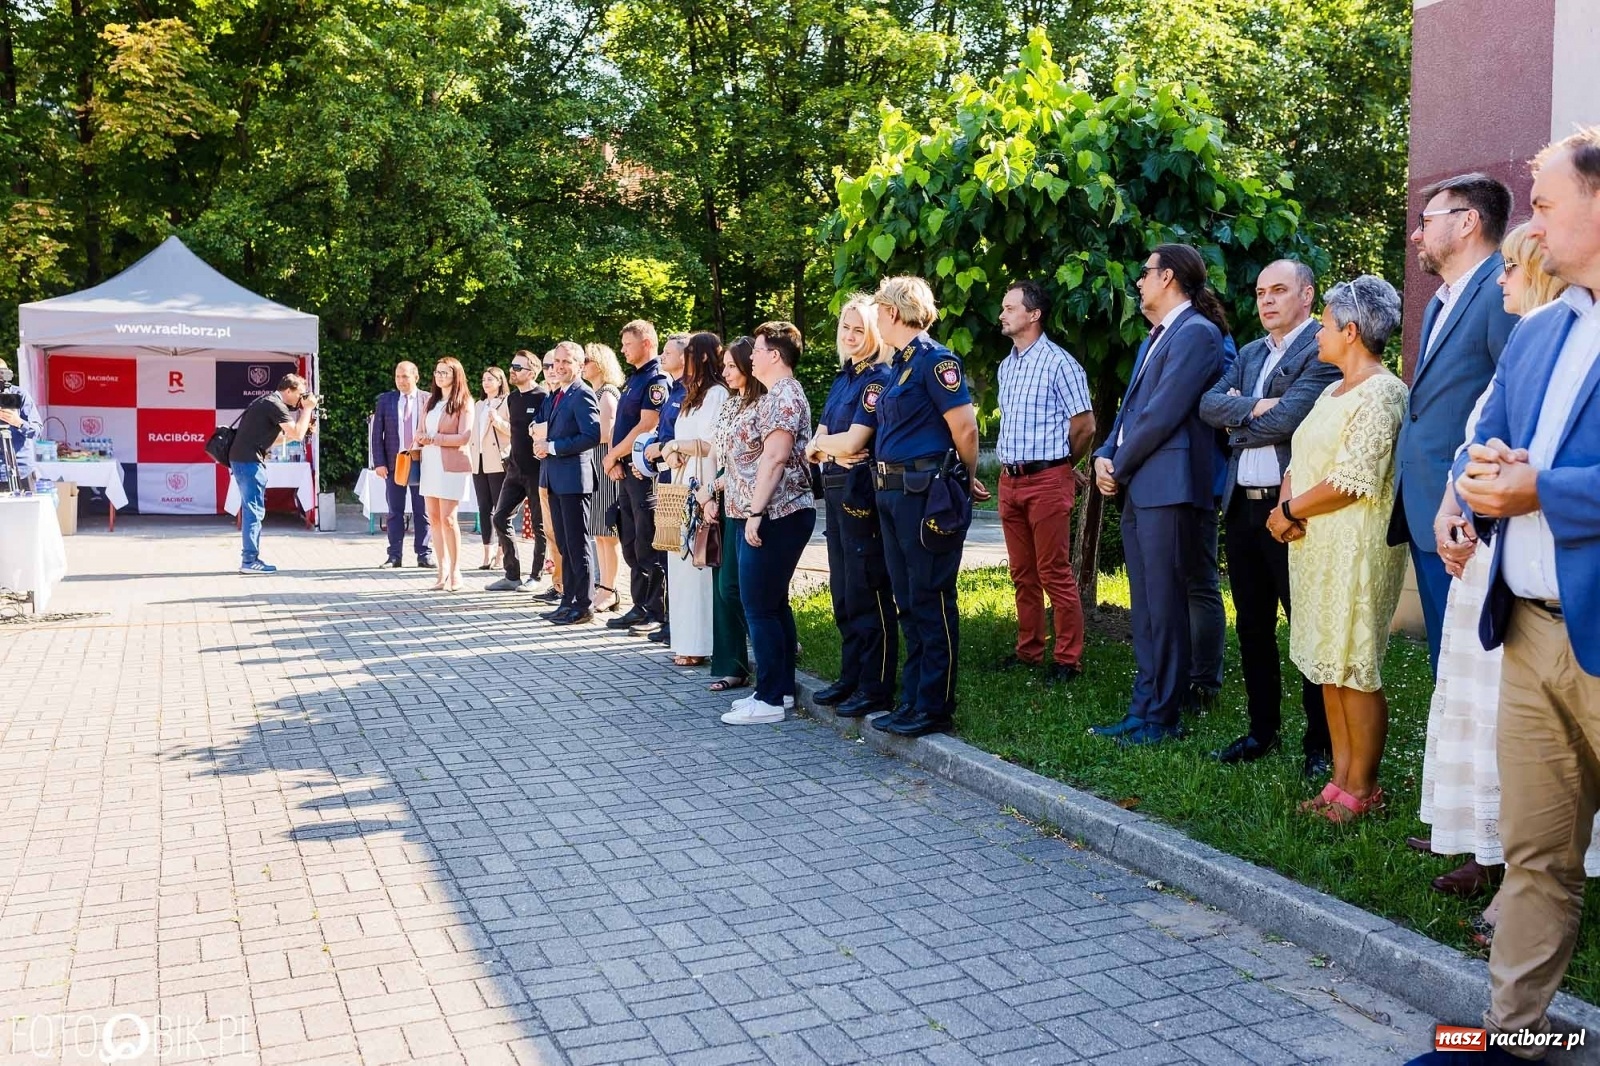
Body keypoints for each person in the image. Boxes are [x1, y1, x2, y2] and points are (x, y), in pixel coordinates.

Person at [1424, 127, 1600, 1063]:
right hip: (1530, 637)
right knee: (1536, 857)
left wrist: (1541, 492)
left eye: (1542, 202)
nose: (1527, 222)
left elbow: (1550, 476)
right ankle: (1506, 1043)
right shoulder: (1544, 331)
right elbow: (1487, 436)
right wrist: (1469, 499)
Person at [1264, 277, 1408, 822]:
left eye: (1324, 324)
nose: (1318, 333)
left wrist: (1290, 512)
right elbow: (1302, 457)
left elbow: (1353, 478)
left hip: (1355, 545)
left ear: (1351, 331)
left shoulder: (1384, 392)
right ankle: (1339, 778)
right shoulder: (1331, 388)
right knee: (1328, 664)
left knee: (1354, 664)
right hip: (1312, 542)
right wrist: (1286, 508)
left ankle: (1364, 787)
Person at [1199, 260, 1339, 774]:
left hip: (1292, 511)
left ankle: (1319, 745)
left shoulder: (1322, 349)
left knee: (1304, 629)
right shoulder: (1252, 351)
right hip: (1241, 508)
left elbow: (1292, 419)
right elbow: (1208, 405)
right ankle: (1262, 732)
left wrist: (1243, 414)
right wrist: (1258, 410)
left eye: (1279, 290)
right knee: (1253, 627)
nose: (1266, 301)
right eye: (1260, 292)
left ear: (1307, 294)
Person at [1090, 245, 1226, 746]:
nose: (1138, 281)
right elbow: (1129, 412)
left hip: (1167, 488)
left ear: (1167, 277)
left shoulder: (1197, 334)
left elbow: (1163, 414)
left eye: (1144, 272)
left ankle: (1162, 716)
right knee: (1145, 604)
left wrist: (1118, 467)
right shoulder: (1158, 336)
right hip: (1141, 485)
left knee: (1166, 605)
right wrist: (1104, 455)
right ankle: (1143, 707)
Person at [1393, 172, 1517, 672]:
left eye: (1426, 221)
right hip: (1429, 508)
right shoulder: (1441, 301)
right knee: (1445, 663)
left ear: (1467, 222)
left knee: (1467, 662)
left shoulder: (1499, 291)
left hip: (1465, 517)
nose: (1416, 235)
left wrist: (1469, 504)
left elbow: (1511, 407)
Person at [868, 277, 991, 738]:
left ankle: (934, 706)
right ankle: (913, 699)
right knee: (908, 599)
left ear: (895, 313)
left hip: (924, 493)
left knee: (931, 598)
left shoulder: (936, 361)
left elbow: (965, 429)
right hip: (893, 493)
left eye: (879, 311)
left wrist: (966, 476)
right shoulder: (899, 365)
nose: (876, 319)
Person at [994, 280, 1095, 684]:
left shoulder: (1061, 364)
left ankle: (1067, 659)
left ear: (1033, 314)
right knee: (1022, 573)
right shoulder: (1007, 366)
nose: (1002, 314)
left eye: (1010, 307)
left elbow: (1085, 426)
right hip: (1009, 481)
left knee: (1054, 572)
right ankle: (1029, 651)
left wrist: (1062, 464)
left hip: (1047, 481)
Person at [805, 296, 899, 718]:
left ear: (875, 333)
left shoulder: (877, 379)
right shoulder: (844, 379)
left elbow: (853, 443)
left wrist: (826, 446)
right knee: (842, 592)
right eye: (846, 327)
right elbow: (819, 441)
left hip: (862, 492)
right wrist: (827, 447)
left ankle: (875, 685)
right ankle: (850, 676)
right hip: (837, 490)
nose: (850, 335)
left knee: (867, 591)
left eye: (859, 329)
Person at [720, 322, 817, 726]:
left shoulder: (785, 397)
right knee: (771, 604)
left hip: (779, 513)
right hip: (763, 512)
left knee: (758, 605)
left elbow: (775, 458)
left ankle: (770, 699)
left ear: (774, 355)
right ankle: (780, 691)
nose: (752, 356)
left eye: (757, 350)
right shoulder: (773, 395)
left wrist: (755, 513)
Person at [662, 333, 729, 665]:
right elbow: (678, 438)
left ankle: (702, 643)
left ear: (701, 357)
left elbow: (709, 444)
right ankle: (684, 639)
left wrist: (676, 447)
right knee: (680, 564)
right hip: (681, 481)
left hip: (701, 483)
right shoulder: (691, 396)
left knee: (699, 560)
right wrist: (669, 450)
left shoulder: (716, 394)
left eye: (687, 354)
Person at [701, 337, 760, 694]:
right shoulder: (730, 404)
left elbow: (750, 459)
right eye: (723, 366)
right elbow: (714, 452)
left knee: (737, 586)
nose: (725, 372)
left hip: (748, 499)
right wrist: (708, 494)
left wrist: (716, 487)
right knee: (721, 586)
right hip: (720, 498)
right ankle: (731, 664)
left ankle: (776, 642)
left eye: (731, 367)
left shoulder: (763, 402)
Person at [603, 320, 670, 634]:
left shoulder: (656, 379)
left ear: (646, 343)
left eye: (627, 344)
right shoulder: (635, 379)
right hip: (627, 469)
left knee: (647, 542)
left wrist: (614, 454)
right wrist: (616, 459)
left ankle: (656, 610)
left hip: (644, 472)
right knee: (630, 541)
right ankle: (640, 604)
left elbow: (647, 424)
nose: (622, 349)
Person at [533, 343, 601, 624]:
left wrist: (553, 446)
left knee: (577, 544)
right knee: (563, 544)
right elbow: (540, 421)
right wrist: (536, 435)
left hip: (574, 479)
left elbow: (592, 435)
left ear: (579, 364)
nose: (559, 367)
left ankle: (584, 605)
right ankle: (568, 600)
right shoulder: (556, 394)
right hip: (555, 477)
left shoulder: (582, 393)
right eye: (555, 362)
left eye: (565, 362)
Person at [228, 374, 316, 574]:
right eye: (300, 395)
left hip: (244, 459)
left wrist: (303, 430)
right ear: (288, 391)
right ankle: (249, 561)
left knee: (253, 509)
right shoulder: (275, 405)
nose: (301, 400)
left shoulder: (268, 402)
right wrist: (308, 409)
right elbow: (296, 433)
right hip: (248, 461)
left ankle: (250, 559)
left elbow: (275, 439)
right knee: (254, 511)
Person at [485, 352, 549, 592]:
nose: (511, 370)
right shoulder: (512, 399)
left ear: (532, 372)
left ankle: (537, 575)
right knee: (500, 517)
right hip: (514, 468)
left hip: (536, 469)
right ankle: (512, 574)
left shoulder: (543, 397)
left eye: (517, 367)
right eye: (511, 366)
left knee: (540, 525)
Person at [642, 333, 691, 644]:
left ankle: (678, 621)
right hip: (665, 477)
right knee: (666, 549)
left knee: (676, 548)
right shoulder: (674, 388)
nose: (661, 356)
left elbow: (680, 436)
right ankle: (673, 618)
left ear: (685, 357)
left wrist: (659, 448)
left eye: (667, 352)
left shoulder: (689, 391)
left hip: (679, 477)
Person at [416, 358, 474, 591]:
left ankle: (455, 571)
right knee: (434, 518)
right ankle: (441, 572)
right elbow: (420, 429)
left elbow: (464, 437)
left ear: (455, 376)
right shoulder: (430, 401)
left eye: (445, 373)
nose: (439, 376)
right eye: (437, 372)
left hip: (450, 464)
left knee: (449, 519)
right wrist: (422, 437)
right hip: (430, 463)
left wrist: (435, 439)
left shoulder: (463, 402)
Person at [369, 362, 434, 569]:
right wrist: (378, 462)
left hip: (420, 461)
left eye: (405, 376)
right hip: (394, 462)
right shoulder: (386, 400)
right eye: (397, 376)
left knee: (422, 510)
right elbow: (377, 433)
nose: (401, 381)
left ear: (416, 377)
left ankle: (424, 554)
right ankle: (394, 556)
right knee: (394, 511)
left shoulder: (428, 399)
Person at [582, 343, 625, 612]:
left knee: (608, 533)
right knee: (598, 532)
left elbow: (607, 434)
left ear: (600, 363)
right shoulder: (594, 392)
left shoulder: (607, 394)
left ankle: (610, 588)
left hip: (605, 466)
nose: (582, 364)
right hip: (595, 466)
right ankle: (603, 586)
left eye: (586, 359)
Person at [472, 366, 510, 571]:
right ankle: (487, 553)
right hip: (478, 460)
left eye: (491, 379)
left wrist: (498, 420)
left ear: (500, 381)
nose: (486, 383)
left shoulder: (507, 402)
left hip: (497, 460)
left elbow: (513, 430)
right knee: (483, 507)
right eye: (484, 379)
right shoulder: (478, 404)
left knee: (499, 508)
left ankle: (501, 552)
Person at [0, 356, 42, 491]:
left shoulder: (19, 395)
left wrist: (18, 422)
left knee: (26, 511)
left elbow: (37, 431)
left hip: (21, 468)